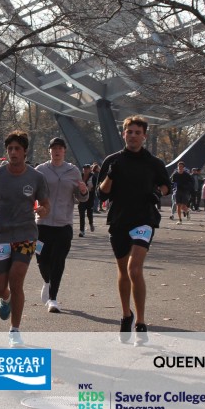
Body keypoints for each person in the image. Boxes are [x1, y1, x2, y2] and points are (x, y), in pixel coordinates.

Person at [98, 116, 171, 344]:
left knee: (134, 269)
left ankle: (140, 322)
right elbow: (102, 194)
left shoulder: (153, 162)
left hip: (144, 220)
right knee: (123, 271)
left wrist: (158, 192)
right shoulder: (112, 160)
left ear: (144, 136)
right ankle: (126, 315)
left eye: (137, 132)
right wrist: (110, 175)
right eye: (129, 132)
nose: (133, 136)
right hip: (119, 220)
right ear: (124, 134)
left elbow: (167, 186)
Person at [0, 130, 50, 346]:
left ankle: (15, 330)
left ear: (25, 151)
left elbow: (46, 204)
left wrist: (43, 210)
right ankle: (6, 298)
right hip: (0, 235)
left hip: (26, 234)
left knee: (16, 279)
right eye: (10, 148)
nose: (13, 152)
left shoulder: (36, 177)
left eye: (17, 148)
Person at [35, 136, 88, 313]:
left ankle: (53, 299)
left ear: (64, 151)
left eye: (60, 148)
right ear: (49, 151)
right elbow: (32, 193)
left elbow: (81, 198)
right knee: (41, 259)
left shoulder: (73, 171)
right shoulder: (40, 170)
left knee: (58, 261)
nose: (57, 151)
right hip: (42, 223)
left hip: (63, 224)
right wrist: (35, 207)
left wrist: (83, 191)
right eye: (54, 148)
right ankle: (47, 281)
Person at [77, 163, 96, 236]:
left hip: (90, 197)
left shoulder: (93, 177)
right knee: (81, 214)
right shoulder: (80, 176)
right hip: (82, 197)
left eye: (87, 169)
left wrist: (89, 188)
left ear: (90, 169)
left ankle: (91, 223)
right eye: (84, 168)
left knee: (89, 213)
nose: (85, 170)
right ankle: (82, 231)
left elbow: (95, 187)